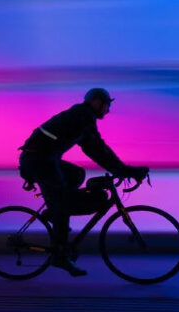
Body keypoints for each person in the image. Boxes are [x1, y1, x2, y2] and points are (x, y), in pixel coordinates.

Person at [18, 88, 148, 277]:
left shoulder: (82, 115)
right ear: (97, 102)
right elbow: (97, 149)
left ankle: (53, 210)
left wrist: (121, 169)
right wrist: (124, 170)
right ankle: (60, 256)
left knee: (77, 174)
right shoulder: (83, 116)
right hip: (38, 162)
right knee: (62, 203)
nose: (108, 110)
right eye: (107, 105)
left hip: (44, 159)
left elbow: (94, 148)